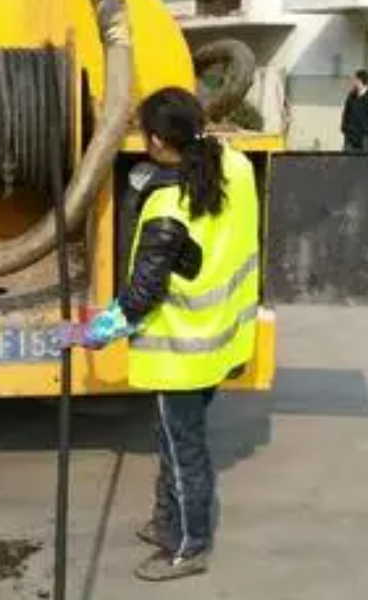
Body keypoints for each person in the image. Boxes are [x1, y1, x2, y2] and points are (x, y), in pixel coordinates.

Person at [66, 87, 260, 581]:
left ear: (154, 141)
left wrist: (90, 332)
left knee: (183, 452)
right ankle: (167, 522)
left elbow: (140, 296)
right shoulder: (233, 169)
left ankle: (189, 547)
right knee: (176, 441)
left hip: (179, 354)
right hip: (219, 342)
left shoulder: (166, 211)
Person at [341, 69, 368, 153]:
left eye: (355, 79)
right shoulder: (352, 96)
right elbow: (346, 113)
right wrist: (345, 128)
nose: (353, 82)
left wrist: (367, 129)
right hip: (350, 136)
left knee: (363, 162)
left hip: (364, 137)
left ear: (360, 80)